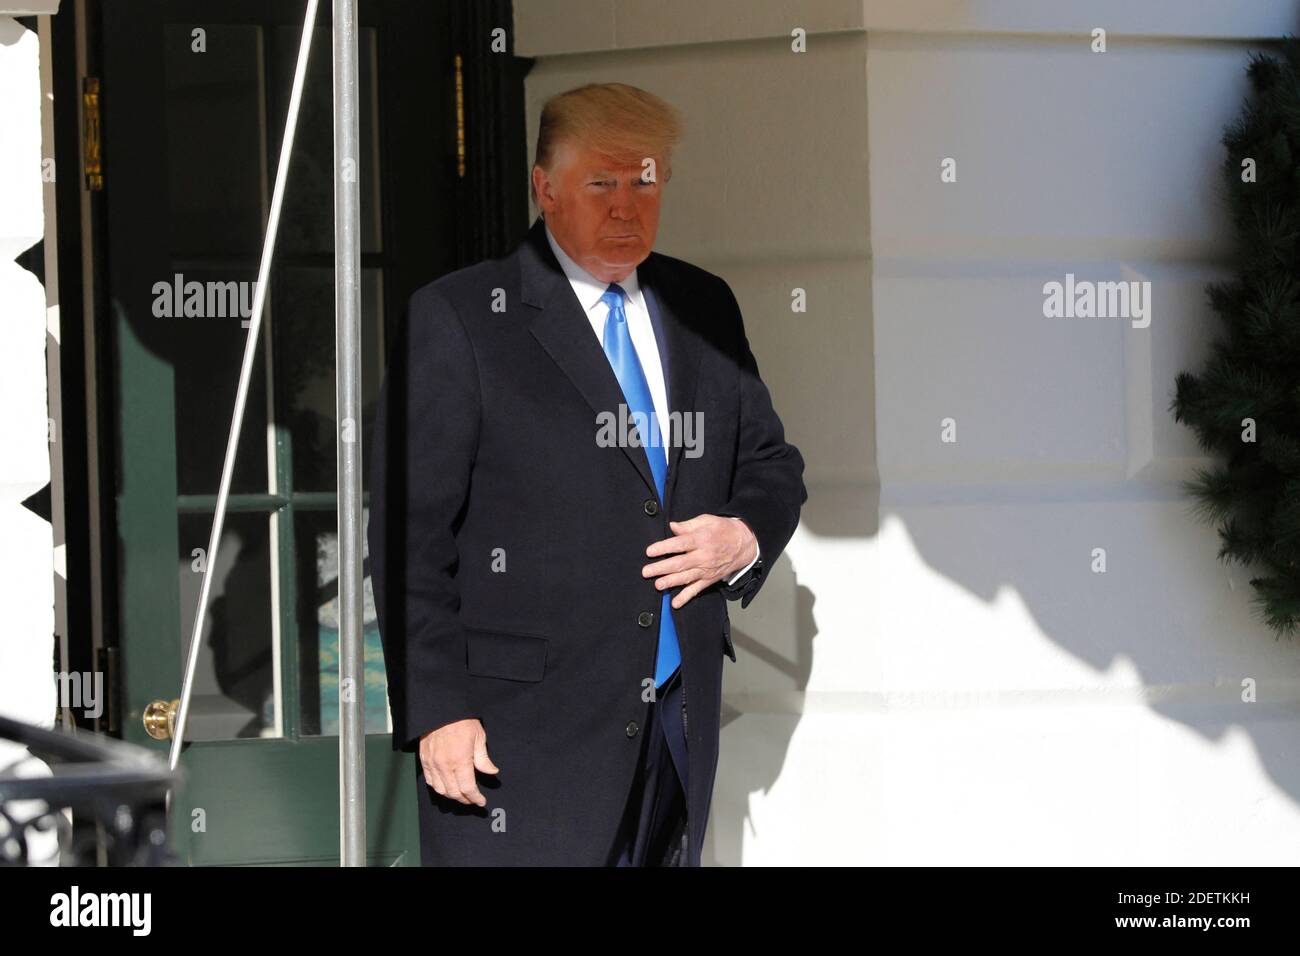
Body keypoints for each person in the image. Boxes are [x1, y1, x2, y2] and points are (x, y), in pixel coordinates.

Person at [368, 82, 806, 866]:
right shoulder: (461, 317)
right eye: (601, 183)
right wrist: (439, 711)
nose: (626, 205)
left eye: (645, 179)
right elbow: (409, 533)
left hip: (676, 725)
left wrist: (742, 536)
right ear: (544, 186)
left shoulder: (704, 306)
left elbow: (772, 463)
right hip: (517, 742)